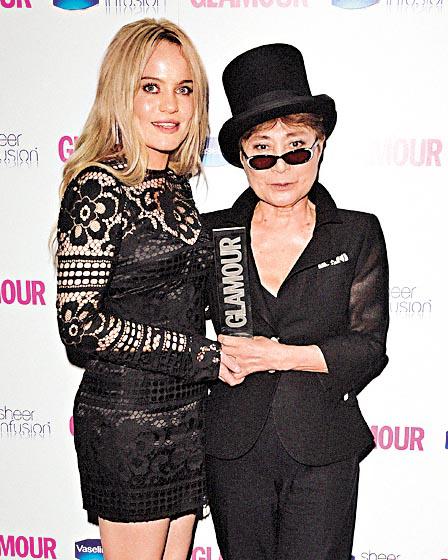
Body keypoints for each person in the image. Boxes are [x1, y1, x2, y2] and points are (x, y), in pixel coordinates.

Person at [55, 19, 239, 560]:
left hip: (188, 413)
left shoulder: (175, 186)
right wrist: (201, 355)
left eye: (184, 89)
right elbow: (79, 326)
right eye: (151, 87)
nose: (170, 106)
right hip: (128, 421)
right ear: (121, 93)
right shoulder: (98, 187)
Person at [203, 43, 389, 560]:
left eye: (297, 148)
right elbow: (180, 333)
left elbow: (368, 347)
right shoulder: (212, 234)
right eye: (263, 151)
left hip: (324, 446)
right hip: (232, 448)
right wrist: (211, 357)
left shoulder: (356, 233)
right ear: (243, 158)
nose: (280, 167)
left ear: (320, 146)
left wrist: (279, 355)